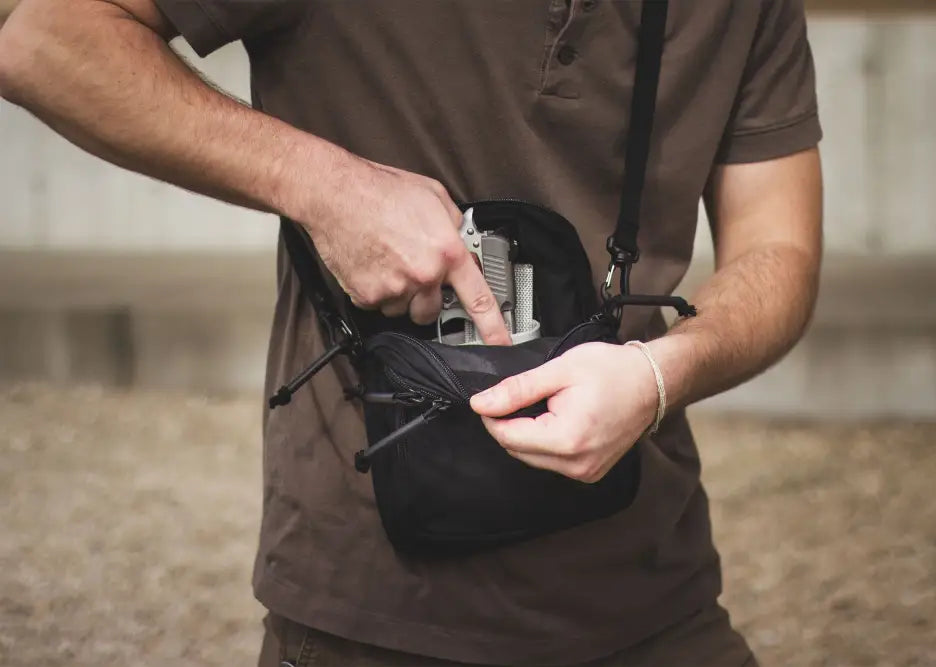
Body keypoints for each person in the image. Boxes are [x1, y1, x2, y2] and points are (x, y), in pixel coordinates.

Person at [0, 0, 824, 664]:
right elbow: (44, 38)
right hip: (374, 612)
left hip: (655, 593)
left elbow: (779, 250)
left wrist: (659, 375)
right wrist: (325, 186)